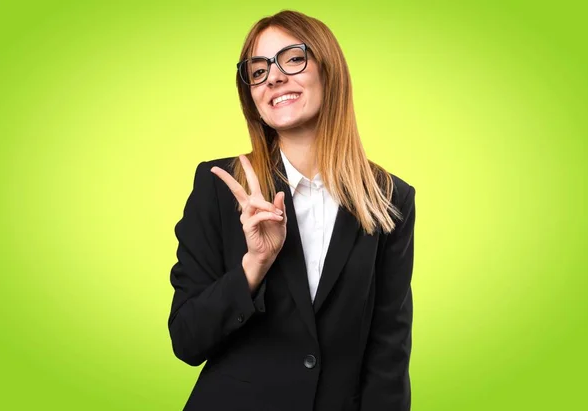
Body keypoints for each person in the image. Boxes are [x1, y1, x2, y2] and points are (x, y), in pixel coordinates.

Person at [167, 9, 416, 411]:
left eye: (293, 58)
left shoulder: (389, 198)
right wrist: (254, 266)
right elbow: (186, 339)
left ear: (328, 69)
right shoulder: (219, 187)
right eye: (259, 70)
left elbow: (388, 349)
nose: (275, 77)